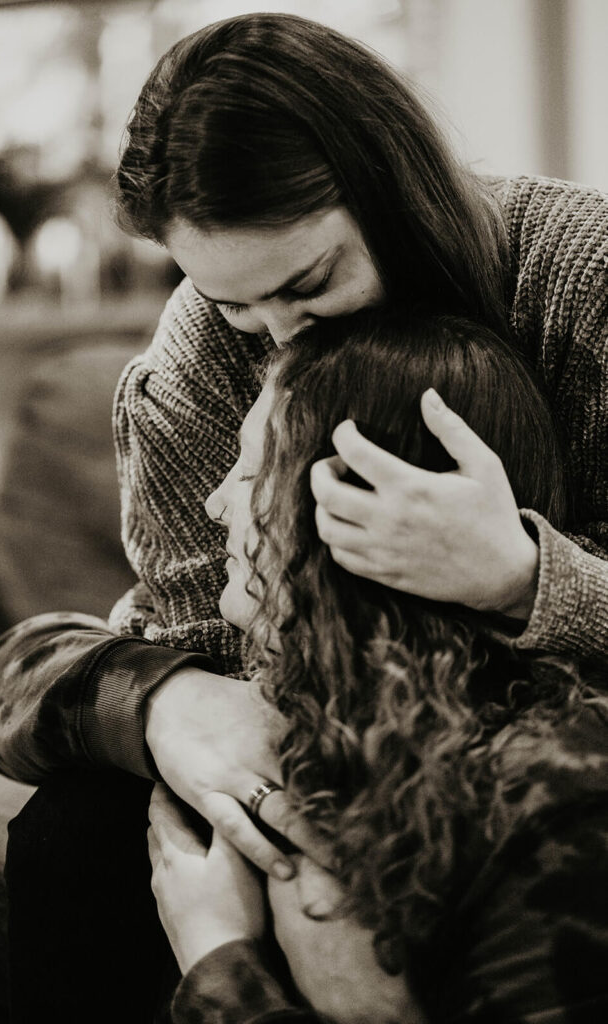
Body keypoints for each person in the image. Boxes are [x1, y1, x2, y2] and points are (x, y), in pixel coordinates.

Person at [0, 11, 608, 1018]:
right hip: (335, 719)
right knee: (81, 826)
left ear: (397, 188)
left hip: (546, 734)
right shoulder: (191, 373)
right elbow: (191, 644)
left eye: (308, 282)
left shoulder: (584, 283)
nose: (275, 341)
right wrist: (168, 702)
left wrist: (522, 579)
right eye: (234, 309)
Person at [149, 311, 608, 1024]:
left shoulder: (557, 806)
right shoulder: (306, 733)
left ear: (358, 507)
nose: (214, 505)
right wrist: (160, 699)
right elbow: (26, 672)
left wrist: (220, 962)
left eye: (248, 469)